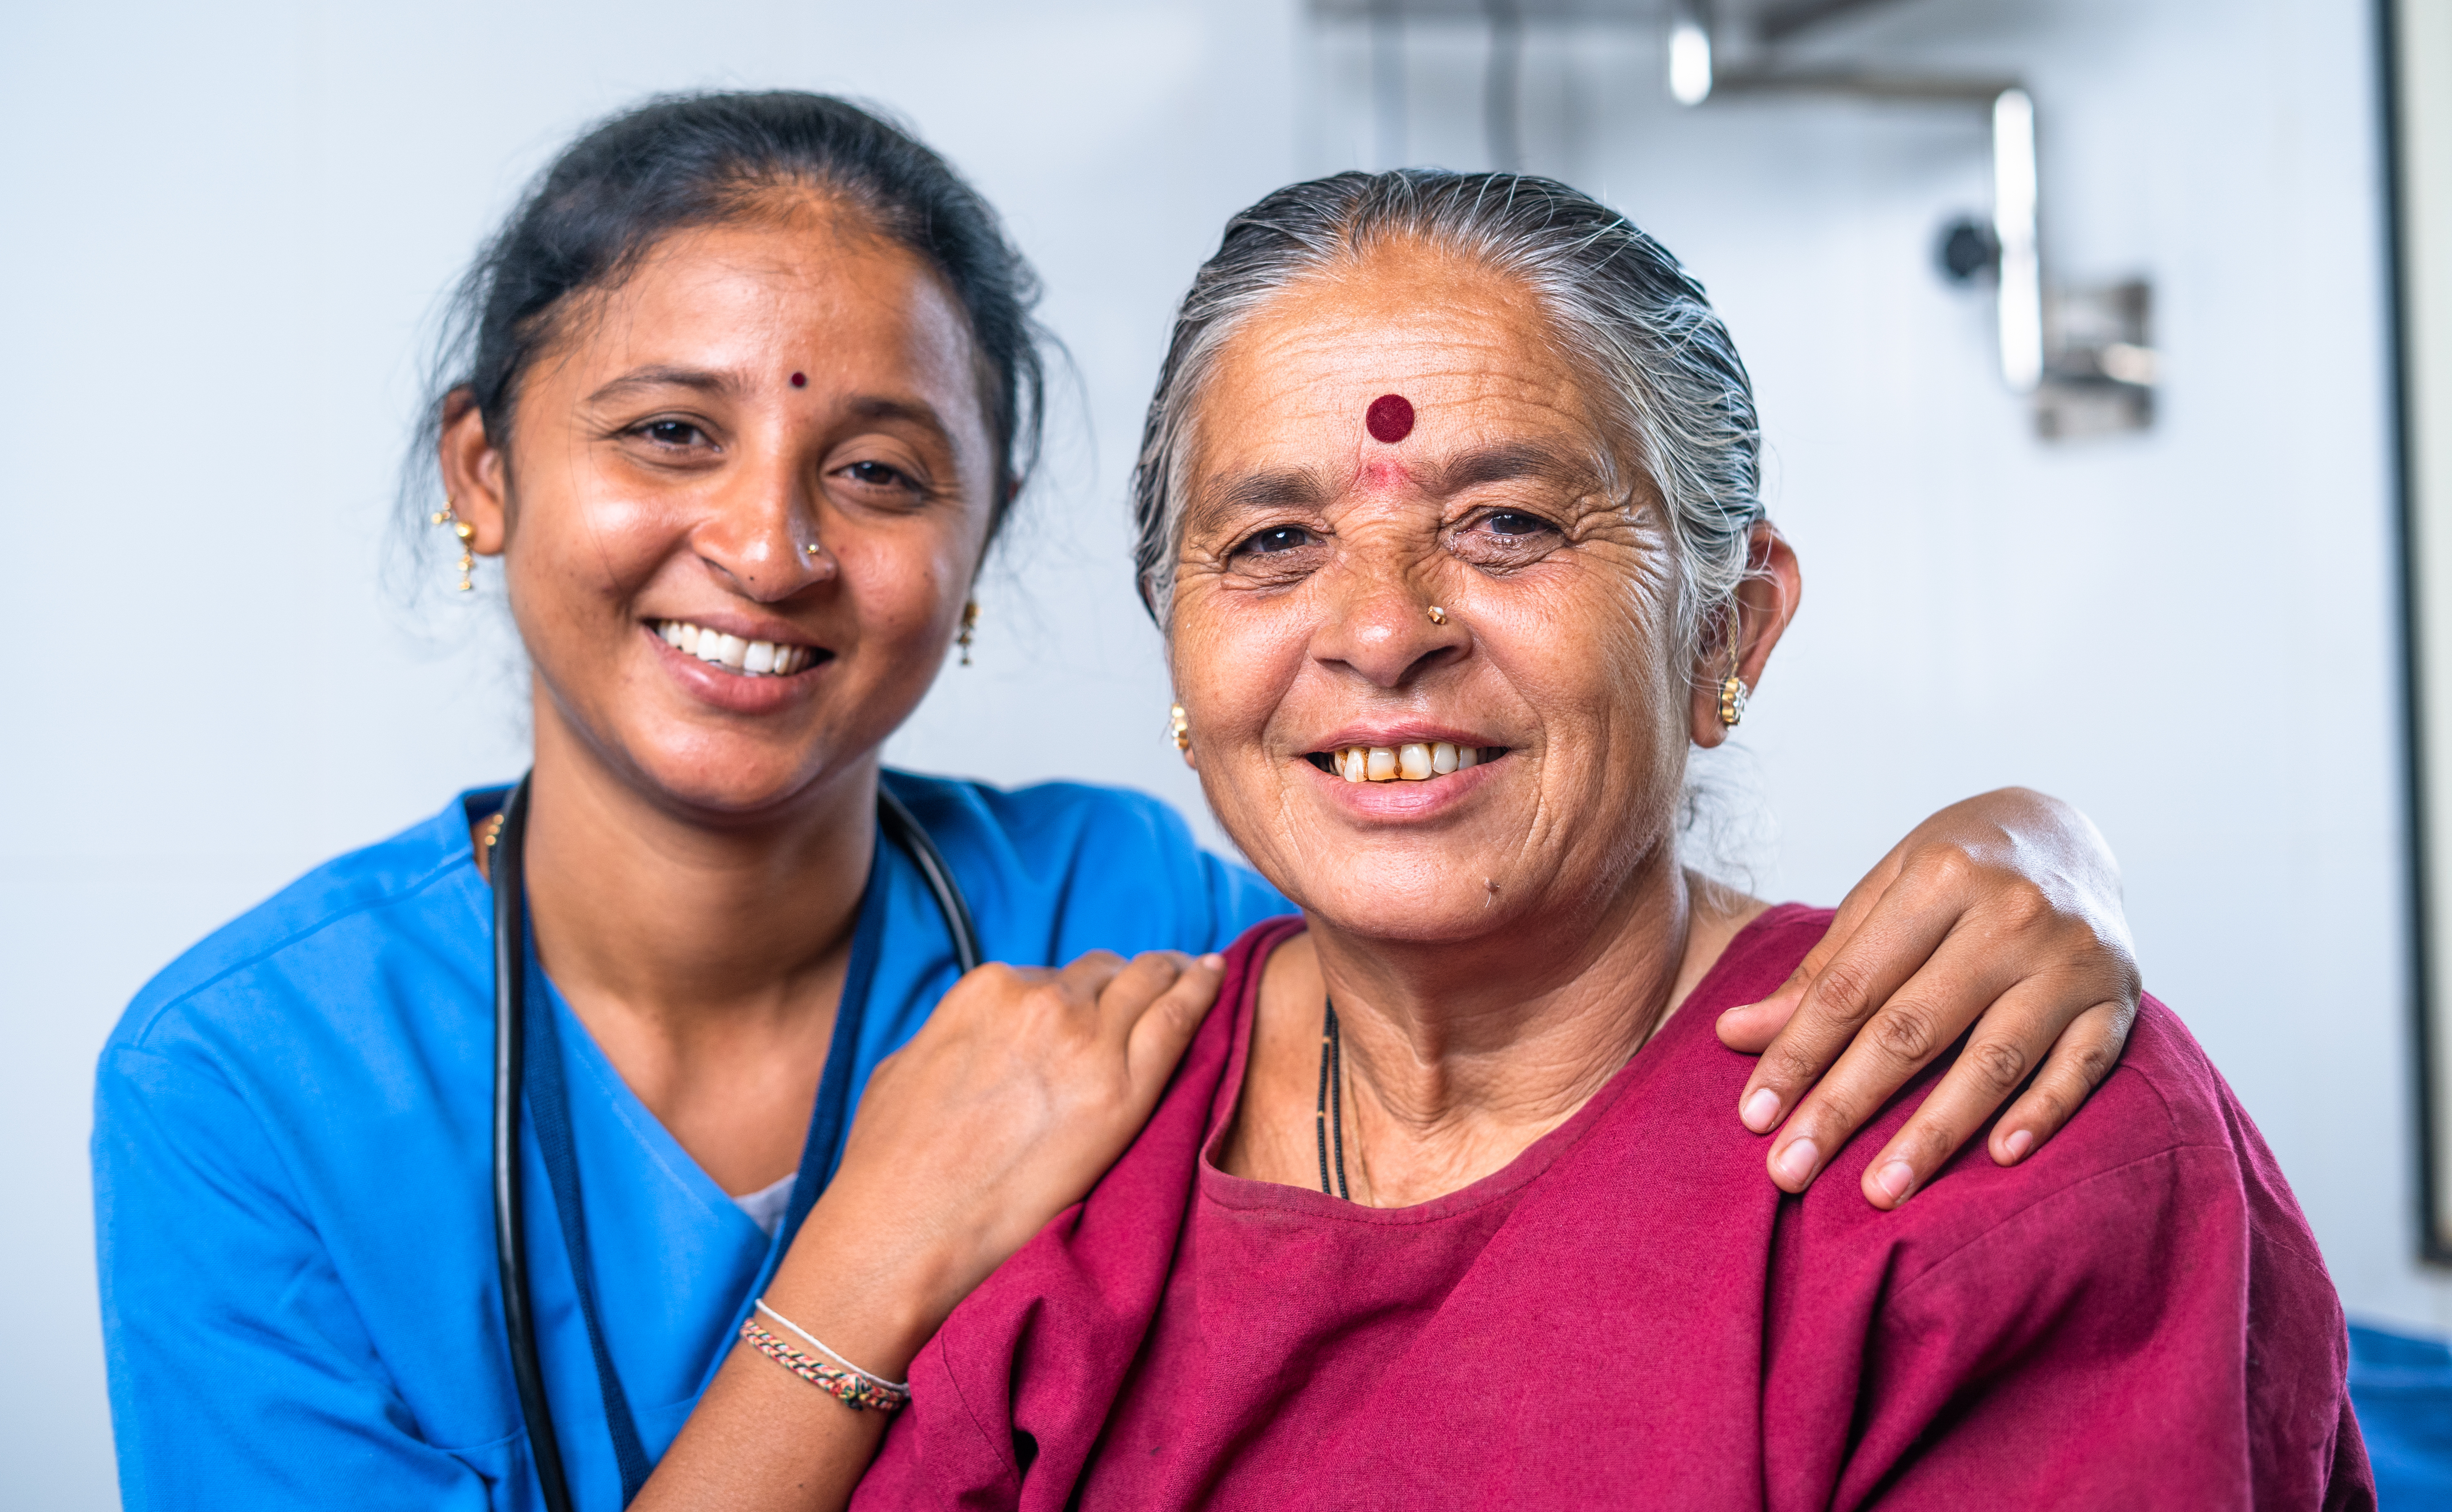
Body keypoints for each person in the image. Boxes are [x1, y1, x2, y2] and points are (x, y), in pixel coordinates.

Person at [93, 95, 2142, 1512]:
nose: (771, 542)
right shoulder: (243, 1080)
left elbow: (1533, 921)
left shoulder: (1131, 919)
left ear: (986, 552)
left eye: (883, 472)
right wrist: (867, 1257)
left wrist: (2046, 849)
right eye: (666, 432)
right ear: (482, 475)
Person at [826, 172, 2371, 1508]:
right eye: (1276, 541)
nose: (1380, 631)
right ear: (1179, 651)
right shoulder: (1075, 1146)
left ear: (1728, 631)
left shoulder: (1999, 1130)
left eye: (1508, 523)